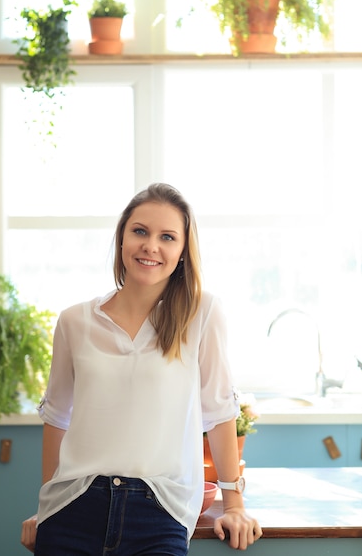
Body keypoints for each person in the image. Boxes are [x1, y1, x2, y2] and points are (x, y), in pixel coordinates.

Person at [21, 182, 262, 555]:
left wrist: (234, 506)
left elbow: (219, 412)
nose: (151, 246)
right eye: (140, 231)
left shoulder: (203, 314)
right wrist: (45, 507)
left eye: (167, 237)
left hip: (159, 512)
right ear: (121, 239)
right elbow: (57, 418)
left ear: (182, 251)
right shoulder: (74, 321)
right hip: (73, 509)